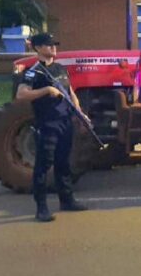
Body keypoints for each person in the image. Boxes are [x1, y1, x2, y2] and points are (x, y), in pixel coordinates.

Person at [16, 33, 88, 222]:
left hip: (65, 120)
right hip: (47, 123)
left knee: (63, 163)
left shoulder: (59, 68)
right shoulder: (34, 71)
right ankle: (42, 208)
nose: (53, 48)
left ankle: (67, 200)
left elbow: (70, 92)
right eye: (49, 45)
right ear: (38, 48)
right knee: (43, 165)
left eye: (54, 44)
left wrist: (80, 113)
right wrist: (47, 90)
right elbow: (21, 94)